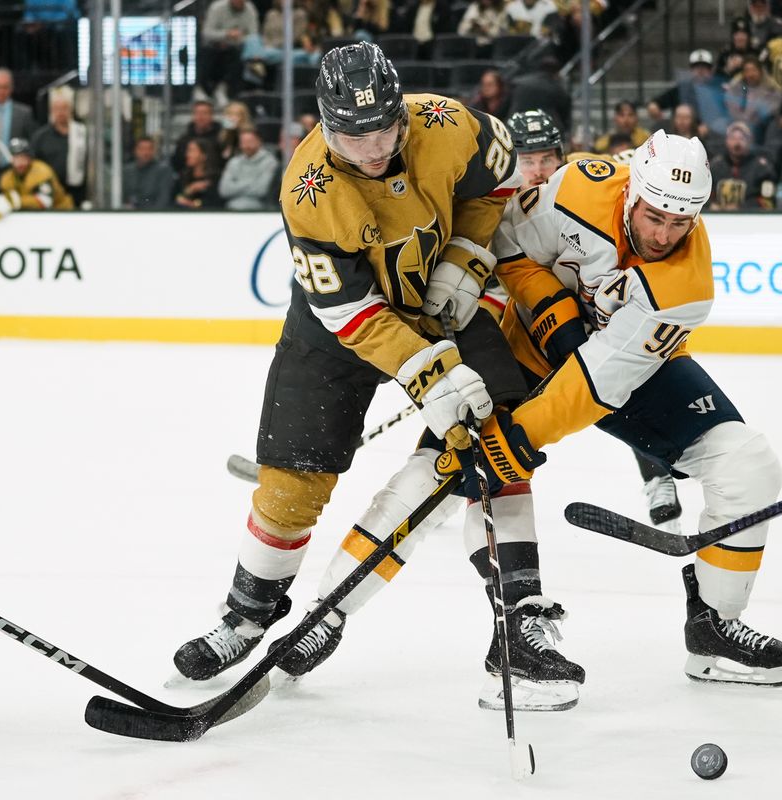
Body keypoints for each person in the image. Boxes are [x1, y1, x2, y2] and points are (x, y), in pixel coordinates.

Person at [171, 42, 585, 711]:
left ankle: (521, 622)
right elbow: (356, 317)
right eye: (351, 136)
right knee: (292, 479)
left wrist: (466, 258)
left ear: (401, 114)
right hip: (338, 325)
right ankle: (246, 617)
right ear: (325, 126)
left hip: (442, 299)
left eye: (383, 131)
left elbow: (499, 183)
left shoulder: (449, 124)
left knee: (502, 447)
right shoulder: (308, 190)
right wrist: (431, 376)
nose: (371, 149)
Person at [438, 130, 782, 687]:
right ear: (632, 194)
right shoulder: (579, 187)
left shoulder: (686, 287)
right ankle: (511, 629)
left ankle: (715, 625)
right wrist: (552, 309)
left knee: (748, 466)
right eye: (655, 217)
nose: (664, 235)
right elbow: (508, 241)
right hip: (524, 344)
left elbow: (599, 380)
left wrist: (523, 434)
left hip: (618, 367)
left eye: (681, 222)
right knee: (460, 472)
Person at [506, 108, 687, 528]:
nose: (538, 170)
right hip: (536, 324)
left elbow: (632, 175)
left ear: (562, 155)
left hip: (598, 313)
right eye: (527, 160)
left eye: (547, 158)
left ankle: (658, 477)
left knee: (627, 385)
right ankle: (460, 489)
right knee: (505, 412)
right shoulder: (501, 202)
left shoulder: (580, 181)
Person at [0, 137, 74, 219]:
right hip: (32, 217)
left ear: (29, 158)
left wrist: (18, 201)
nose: (20, 162)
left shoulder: (42, 171)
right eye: (16, 158)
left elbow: (46, 201)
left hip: (62, 213)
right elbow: (7, 199)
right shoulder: (7, 178)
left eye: (23, 157)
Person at [31, 93, 88, 207]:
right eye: (57, 109)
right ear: (51, 111)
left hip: (77, 193)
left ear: (71, 110)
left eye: (64, 108)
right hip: (49, 192)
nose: (61, 112)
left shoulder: (82, 133)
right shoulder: (41, 136)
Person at [199, 0, 259, 105]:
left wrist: (237, 38)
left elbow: (253, 35)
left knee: (243, 58)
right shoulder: (217, 8)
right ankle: (205, 91)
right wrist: (226, 35)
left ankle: (229, 93)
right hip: (214, 46)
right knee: (207, 57)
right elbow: (207, 33)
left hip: (237, 47)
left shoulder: (250, 9)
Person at [219, 127, 278, 209]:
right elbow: (224, 190)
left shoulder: (270, 162)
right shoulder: (233, 162)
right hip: (231, 209)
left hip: (260, 210)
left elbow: (262, 190)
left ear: (259, 141)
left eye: (250, 141)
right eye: (243, 142)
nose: (246, 145)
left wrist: (236, 186)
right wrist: (252, 183)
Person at [123, 136, 176, 209]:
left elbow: (163, 200)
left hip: (152, 213)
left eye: (149, 149)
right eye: (142, 149)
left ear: (154, 151)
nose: (145, 152)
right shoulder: (127, 171)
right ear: (135, 150)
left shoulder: (163, 171)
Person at [174, 139, 224, 209]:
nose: (187, 155)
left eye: (192, 151)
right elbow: (175, 199)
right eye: (187, 151)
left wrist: (194, 204)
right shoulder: (183, 176)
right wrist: (190, 189)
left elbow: (216, 202)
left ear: (204, 155)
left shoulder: (215, 177)